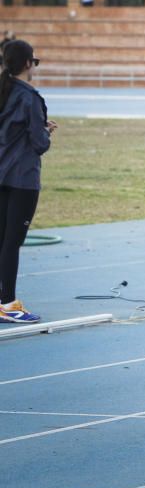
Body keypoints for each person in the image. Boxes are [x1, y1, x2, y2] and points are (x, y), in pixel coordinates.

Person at [0, 40, 55, 324]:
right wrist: (47, 133)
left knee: (2, 240)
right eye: (34, 62)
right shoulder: (29, 97)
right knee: (12, 242)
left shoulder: (4, 91)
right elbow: (38, 143)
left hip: (2, 173)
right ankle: (8, 304)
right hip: (22, 177)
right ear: (26, 64)